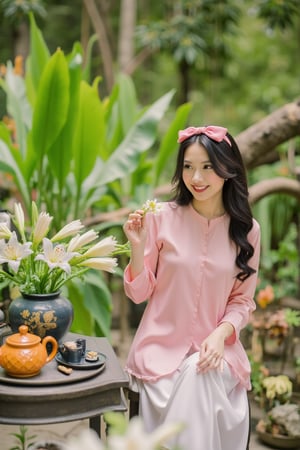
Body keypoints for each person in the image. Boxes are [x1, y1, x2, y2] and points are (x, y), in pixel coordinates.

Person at [123, 125, 261, 450]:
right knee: (196, 377)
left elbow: (243, 301)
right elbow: (139, 294)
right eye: (188, 166)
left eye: (207, 167)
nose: (196, 177)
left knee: (201, 372)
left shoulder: (247, 230)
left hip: (218, 351)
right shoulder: (161, 218)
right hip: (159, 351)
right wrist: (136, 246)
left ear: (228, 169)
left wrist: (219, 334)